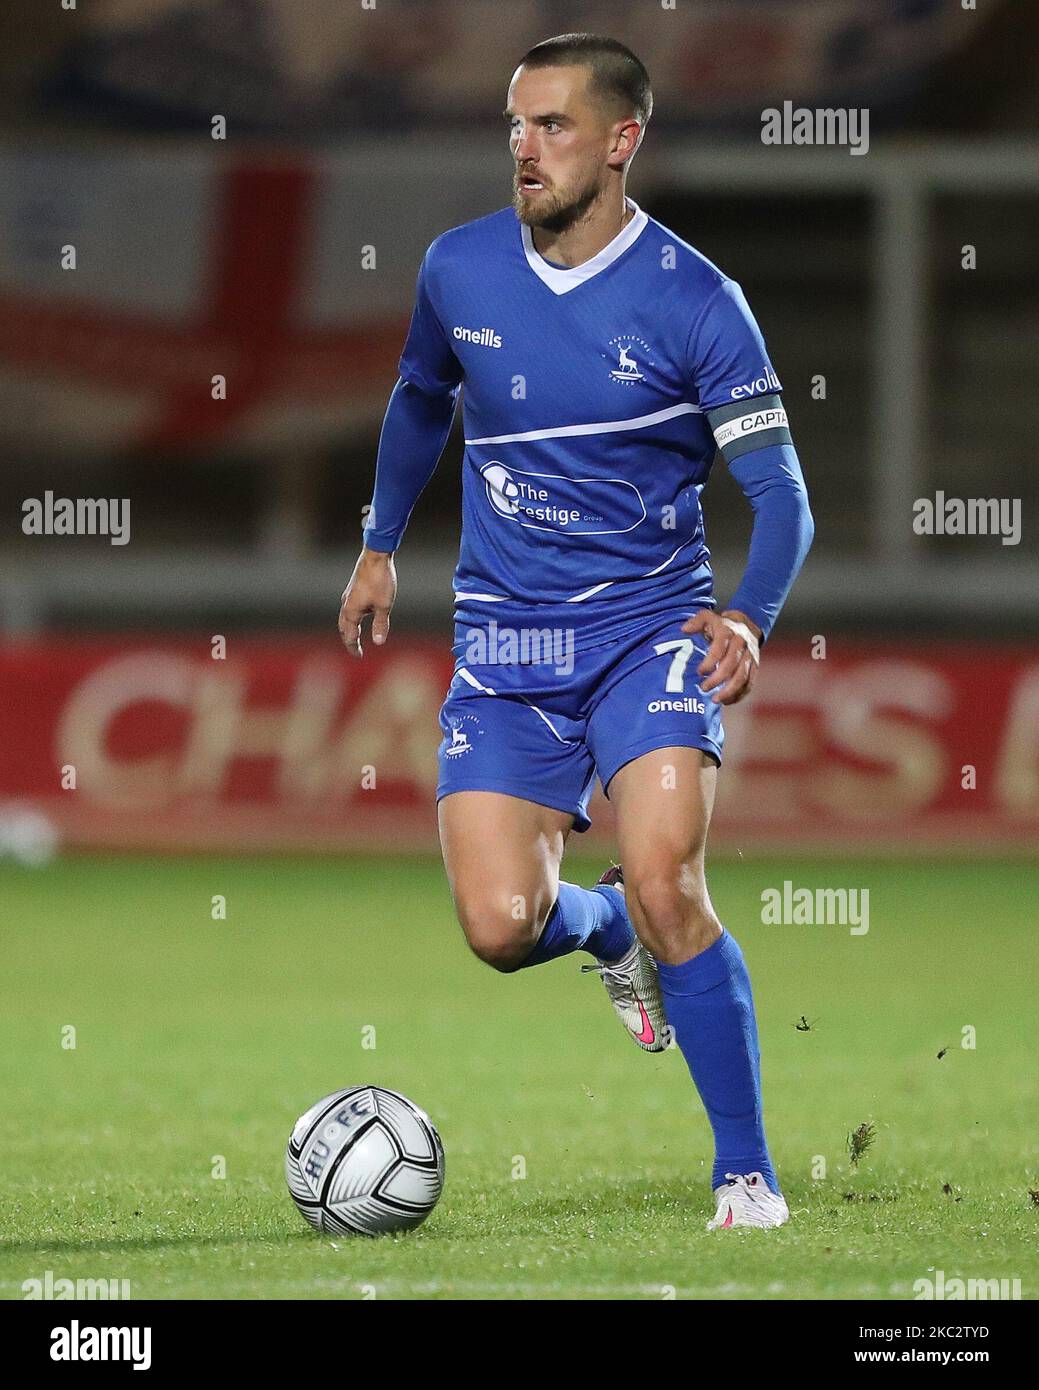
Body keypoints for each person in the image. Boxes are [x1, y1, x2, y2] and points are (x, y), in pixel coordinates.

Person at [339, 32, 814, 1230]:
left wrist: (747, 621)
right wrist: (380, 542)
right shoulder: (459, 269)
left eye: (551, 125)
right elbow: (416, 396)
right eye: (513, 124)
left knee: (667, 877)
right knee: (500, 929)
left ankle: (744, 1174)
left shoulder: (698, 302)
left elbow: (783, 499)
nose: (523, 148)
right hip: (505, 649)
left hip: (648, 634)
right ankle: (604, 932)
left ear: (621, 141)